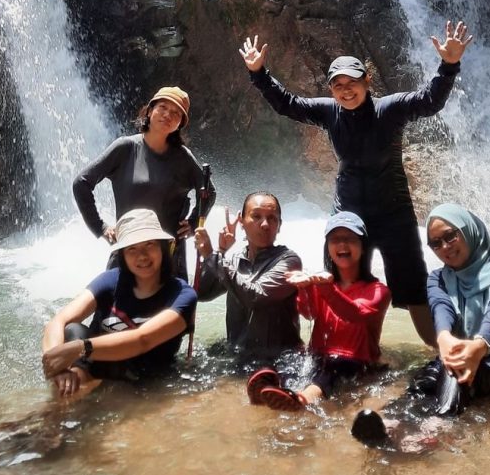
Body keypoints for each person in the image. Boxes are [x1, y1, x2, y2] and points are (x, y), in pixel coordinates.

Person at [239, 21, 472, 345]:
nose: (346, 90)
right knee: (339, 285)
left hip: (393, 215)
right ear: (331, 89)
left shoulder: (390, 109)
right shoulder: (329, 112)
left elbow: (429, 100)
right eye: (338, 85)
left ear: (367, 81)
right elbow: (287, 104)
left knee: (413, 288)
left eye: (352, 82)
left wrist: (449, 65)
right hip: (348, 215)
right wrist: (258, 73)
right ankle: (337, 350)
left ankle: (443, 350)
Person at [351, 203, 490, 446]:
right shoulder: (438, 279)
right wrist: (444, 336)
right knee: (428, 376)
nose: (445, 247)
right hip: (454, 364)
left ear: (468, 231)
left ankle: (437, 427)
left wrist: (480, 344)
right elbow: (441, 308)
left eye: (450, 236)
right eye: (436, 243)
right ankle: (392, 421)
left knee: (455, 365)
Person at [41, 209, 197, 399]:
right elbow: (59, 321)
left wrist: (79, 349)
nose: (142, 256)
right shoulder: (110, 280)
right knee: (73, 332)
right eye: (132, 248)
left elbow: (142, 339)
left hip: (145, 380)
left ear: (164, 247)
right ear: (122, 254)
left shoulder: (183, 295)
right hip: (96, 366)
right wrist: (57, 365)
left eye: (149, 244)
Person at [248, 212, 391, 411]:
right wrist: (304, 287)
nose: (342, 244)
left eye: (350, 239)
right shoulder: (322, 283)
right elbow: (309, 313)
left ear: (363, 246)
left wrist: (324, 287)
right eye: (335, 239)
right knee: (293, 359)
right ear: (328, 247)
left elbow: (354, 313)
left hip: (355, 362)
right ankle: (273, 391)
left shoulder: (378, 291)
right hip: (319, 355)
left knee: (334, 368)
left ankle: (302, 400)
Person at [73, 86, 215, 279]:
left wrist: (192, 222)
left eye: (176, 113)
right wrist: (101, 228)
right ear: (149, 111)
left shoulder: (183, 158)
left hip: (170, 258)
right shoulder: (126, 148)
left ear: (180, 123)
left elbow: (208, 192)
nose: (168, 115)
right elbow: (81, 183)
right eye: (163, 107)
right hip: (128, 253)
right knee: (114, 298)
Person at [194, 192, 303, 363]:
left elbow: (256, 297)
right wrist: (220, 251)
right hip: (238, 358)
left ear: (279, 225)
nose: (265, 224)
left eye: (272, 218)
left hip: (278, 363)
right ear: (242, 223)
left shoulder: (289, 261)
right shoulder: (234, 261)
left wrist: (212, 256)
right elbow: (201, 293)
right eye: (256, 216)